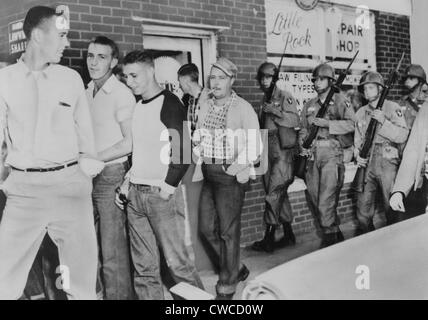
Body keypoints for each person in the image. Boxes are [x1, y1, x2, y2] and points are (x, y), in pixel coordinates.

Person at [0, 6, 104, 299]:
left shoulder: (71, 79)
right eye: (61, 35)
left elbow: (87, 138)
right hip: (23, 194)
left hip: (70, 188)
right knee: (2, 281)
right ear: (36, 35)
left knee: (81, 285)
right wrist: (6, 182)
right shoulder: (4, 80)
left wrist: (83, 177)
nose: (67, 43)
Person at [118, 50, 203, 300]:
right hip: (135, 195)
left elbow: (183, 150)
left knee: (178, 265)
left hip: (160, 196)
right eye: (126, 76)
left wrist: (167, 187)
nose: (129, 81)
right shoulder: (138, 106)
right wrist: (127, 182)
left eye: (134, 75)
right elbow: (141, 152)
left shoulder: (170, 102)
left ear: (151, 71)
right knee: (144, 269)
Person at [194, 57, 262, 300]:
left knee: (228, 232)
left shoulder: (243, 108)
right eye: (212, 77)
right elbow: (198, 137)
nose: (216, 82)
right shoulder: (205, 105)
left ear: (232, 80)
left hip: (230, 174)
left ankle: (227, 285)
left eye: (221, 78)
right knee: (205, 228)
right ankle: (237, 268)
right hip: (209, 173)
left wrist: (232, 169)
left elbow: (255, 146)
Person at [86, 36, 135, 300]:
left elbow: (129, 142)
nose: (93, 62)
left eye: (101, 57)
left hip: (111, 176)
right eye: (90, 56)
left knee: (113, 250)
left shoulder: (121, 93)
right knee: (90, 249)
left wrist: (94, 156)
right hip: (87, 176)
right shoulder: (85, 91)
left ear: (113, 61)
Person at [299, 63, 355, 248]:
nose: (317, 82)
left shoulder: (341, 100)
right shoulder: (309, 105)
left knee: (326, 201)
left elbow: (352, 125)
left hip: (332, 153)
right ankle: (335, 234)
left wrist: (327, 124)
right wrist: (303, 146)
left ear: (331, 81)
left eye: (321, 79)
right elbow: (302, 130)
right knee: (316, 199)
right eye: (315, 79)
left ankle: (330, 242)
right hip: (313, 155)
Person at [250, 61, 298, 253]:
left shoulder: (285, 97)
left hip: (282, 149)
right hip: (267, 148)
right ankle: (288, 233)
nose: (264, 81)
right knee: (278, 192)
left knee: (273, 193)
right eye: (262, 78)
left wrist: (276, 112)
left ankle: (268, 238)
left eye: (268, 77)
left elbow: (295, 120)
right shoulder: (264, 99)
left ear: (275, 78)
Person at [354, 71, 409, 234]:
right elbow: (357, 140)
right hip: (367, 159)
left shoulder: (393, 107)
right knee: (363, 209)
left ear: (380, 89)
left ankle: (396, 239)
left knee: (391, 204)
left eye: (370, 88)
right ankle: (370, 240)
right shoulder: (360, 112)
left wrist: (383, 121)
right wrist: (357, 154)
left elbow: (402, 135)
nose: (366, 91)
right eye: (364, 89)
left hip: (387, 158)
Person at [395, 65, 428, 218]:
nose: (407, 81)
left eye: (411, 78)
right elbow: (413, 150)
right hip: (416, 169)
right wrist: (399, 189)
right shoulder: (419, 109)